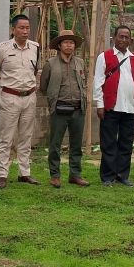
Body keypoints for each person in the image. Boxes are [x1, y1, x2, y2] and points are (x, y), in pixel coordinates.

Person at [0, 14, 42, 188]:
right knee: (6, 137)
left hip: (29, 97)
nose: (25, 31)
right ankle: (2, 174)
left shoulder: (35, 47)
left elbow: (34, 71)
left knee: (26, 137)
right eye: (21, 27)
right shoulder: (3, 48)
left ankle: (24, 173)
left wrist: (28, 87)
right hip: (9, 97)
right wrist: (6, 86)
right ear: (13, 29)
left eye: (27, 28)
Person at [40, 30, 89, 188]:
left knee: (76, 144)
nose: (69, 45)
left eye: (72, 42)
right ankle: (55, 175)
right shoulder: (50, 64)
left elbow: (84, 81)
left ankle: (75, 174)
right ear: (59, 45)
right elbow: (43, 86)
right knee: (55, 144)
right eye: (66, 42)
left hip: (77, 109)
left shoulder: (80, 63)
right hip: (59, 109)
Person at [93, 25, 134, 187]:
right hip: (111, 106)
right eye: (121, 36)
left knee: (126, 143)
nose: (124, 39)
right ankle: (107, 176)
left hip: (130, 107)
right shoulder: (105, 56)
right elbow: (98, 81)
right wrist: (99, 104)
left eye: (127, 37)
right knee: (109, 143)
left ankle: (122, 175)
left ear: (130, 40)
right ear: (114, 37)